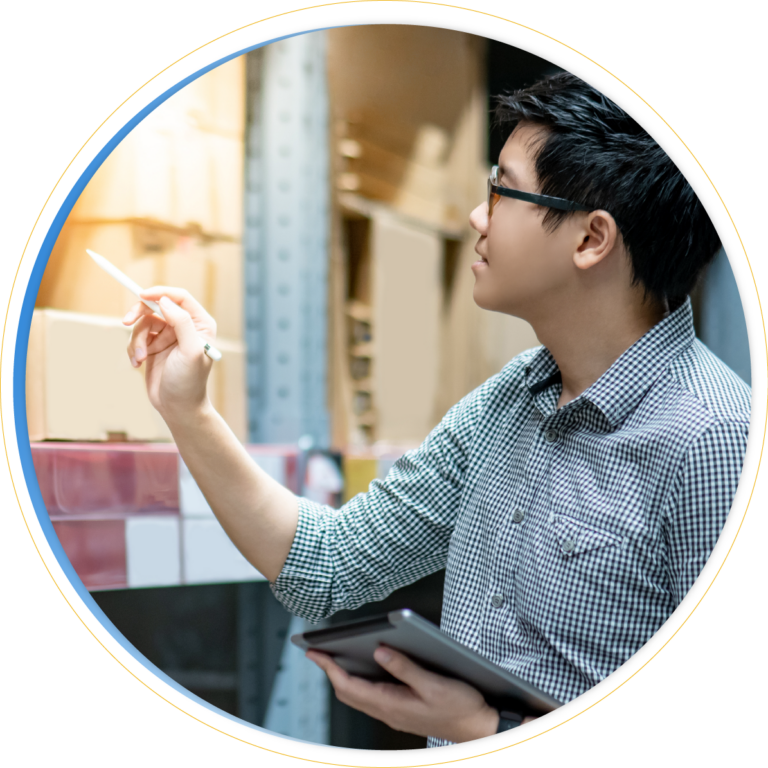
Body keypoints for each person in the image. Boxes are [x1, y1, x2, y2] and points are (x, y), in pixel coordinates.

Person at [122, 72, 751, 749]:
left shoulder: (714, 440)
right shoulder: (509, 402)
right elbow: (327, 566)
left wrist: (486, 728)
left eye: (501, 190)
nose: (478, 217)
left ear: (590, 239)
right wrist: (188, 410)